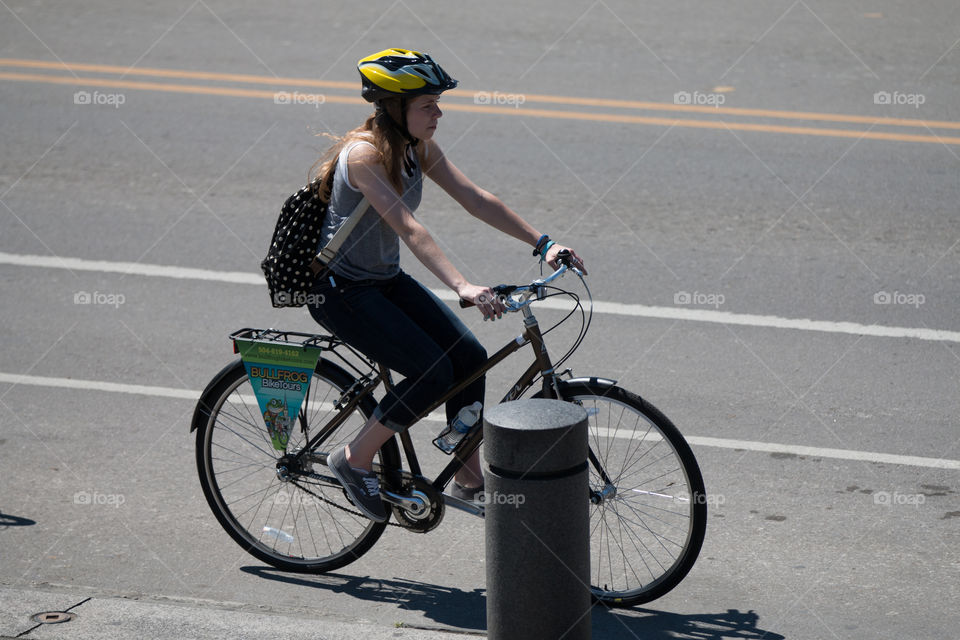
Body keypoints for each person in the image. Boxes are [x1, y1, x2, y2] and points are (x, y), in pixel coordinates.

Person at [308, 48, 586, 522]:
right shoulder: (364, 156)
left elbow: (475, 199)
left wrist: (544, 243)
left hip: (383, 280)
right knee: (430, 373)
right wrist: (463, 286)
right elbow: (409, 228)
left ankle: (465, 470)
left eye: (437, 103)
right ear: (395, 110)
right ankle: (352, 459)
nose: (439, 113)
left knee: (470, 359)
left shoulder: (417, 147)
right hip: (341, 290)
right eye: (427, 105)